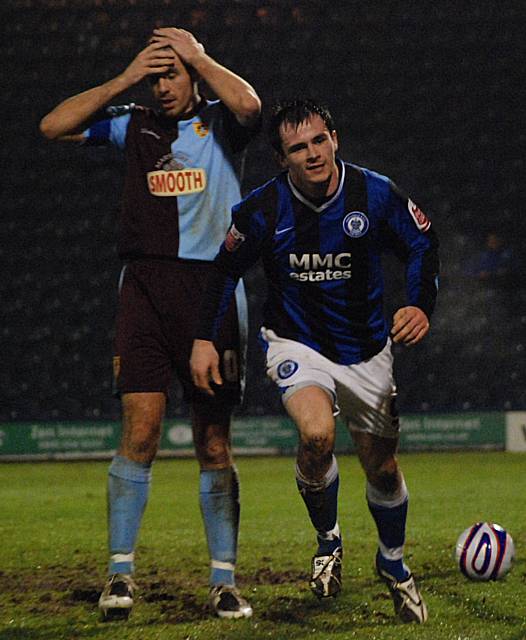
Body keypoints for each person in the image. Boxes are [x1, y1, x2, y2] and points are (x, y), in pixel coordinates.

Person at [40, 27, 261, 620]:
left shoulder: (221, 121)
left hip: (211, 291)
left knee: (214, 440)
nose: (164, 86)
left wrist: (200, 56)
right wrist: (124, 77)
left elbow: (251, 105)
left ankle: (224, 581)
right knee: (140, 431)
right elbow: (52, 126)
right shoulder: (132, 122)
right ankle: (118, 575)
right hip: (143, 287)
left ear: (192, 73)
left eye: (173, 74)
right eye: (156, 75)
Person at [190, 98, 439, 624]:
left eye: (318, 140)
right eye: (297, 148)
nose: (312, 154)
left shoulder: (374, 192)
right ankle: (329, 539)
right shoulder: (262, 210)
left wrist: (419, 302)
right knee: (317, 435)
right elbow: (222, 270)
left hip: (368, 350)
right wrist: (204, 338)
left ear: (335, 138)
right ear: (282, 159)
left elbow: (421, 242)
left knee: (383, 468)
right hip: (296, 343)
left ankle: (391, 563)